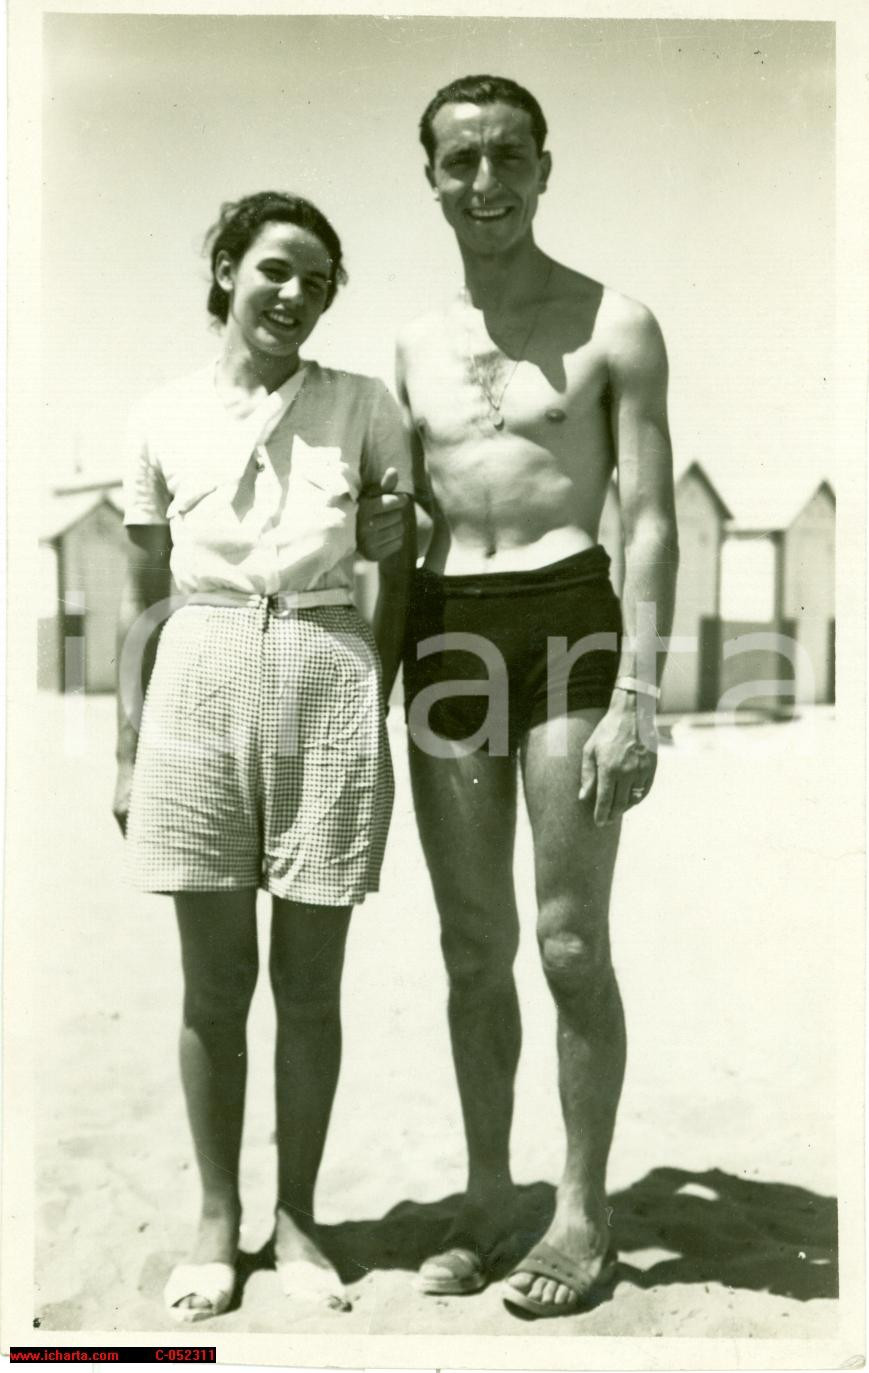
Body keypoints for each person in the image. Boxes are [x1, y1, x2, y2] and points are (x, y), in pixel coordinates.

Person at [369, 74, 679, 1318]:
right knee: (469, 945)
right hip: (446, 630)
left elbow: (647, 516)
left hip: (568, 620)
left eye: (508, 156)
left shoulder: (616, 322)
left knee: (565, 940)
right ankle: (491, 1192)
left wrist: (638, 691)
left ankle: (581, 1209)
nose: (485, 182)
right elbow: (395, 531)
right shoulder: (409, 345)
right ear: (431, 178)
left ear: (545, 168)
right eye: (461, 161)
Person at [113, 191, 414, 1323]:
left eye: (318, 281)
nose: (295, 295)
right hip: (196, 679)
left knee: (310, 987)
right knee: (212, 985)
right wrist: (127, 751)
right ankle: (214, 1220)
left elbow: (393, 568)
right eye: (275, 269)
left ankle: (296, 1216)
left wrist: (373, 694)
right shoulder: (159, 412)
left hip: (328, 675)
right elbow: (141, 601)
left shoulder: (364, 406)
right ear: (227, 268)